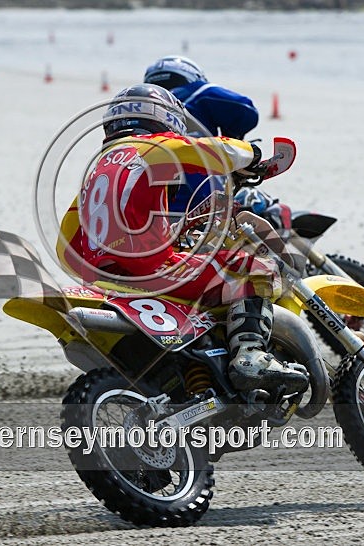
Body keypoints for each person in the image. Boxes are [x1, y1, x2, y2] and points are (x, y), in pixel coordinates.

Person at [57, 84, 307, 395]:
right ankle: (251, 358)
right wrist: (254, 155)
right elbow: (217, 151)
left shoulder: (96, 172)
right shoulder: (154, 146)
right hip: (153, 270)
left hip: (105, 280)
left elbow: (65, 246)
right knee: (259, 269)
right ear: (163, 117)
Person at [143, 55, 260, 215]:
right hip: (201, 196)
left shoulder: (141, 108)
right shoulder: (197, 92)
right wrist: (234, 139)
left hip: (149, 206)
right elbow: (246, 110)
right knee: (264, 208)